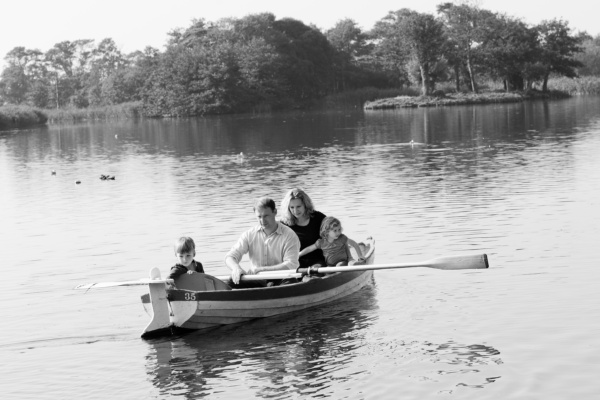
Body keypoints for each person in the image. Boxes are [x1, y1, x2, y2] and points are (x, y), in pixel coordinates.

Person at [225, 197, 300, 286]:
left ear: (275, 212)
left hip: (281, 278)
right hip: (256, 279)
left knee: (290, 283)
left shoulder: (289, 235)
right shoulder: (249, 234)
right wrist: (236, 268)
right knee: (231, 281)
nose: (262, 221)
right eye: (259, 217)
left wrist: (263, 269)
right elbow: (230, 256)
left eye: (266, 216)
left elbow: (291, 264)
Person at [280, 188, 327, 269]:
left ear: (305, 204)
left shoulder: (318, 217)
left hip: (318, 262)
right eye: (292, 207)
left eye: (298, 206)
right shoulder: (284, 224)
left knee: (311, 277)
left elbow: (334, 233)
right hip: (294, 264)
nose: (295, 211)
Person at [299, 216, 364, 267]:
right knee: (326, 271)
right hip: (330, 265)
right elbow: (310, 248)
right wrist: (299, 254)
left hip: (342, 262)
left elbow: (354, 244)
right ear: (327, 231)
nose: (338, 232)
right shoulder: (321, 242)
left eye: (339, 229)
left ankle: (350, 264)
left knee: (339, 266)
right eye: (335, 231)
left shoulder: (342, 238)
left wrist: (360, 256)